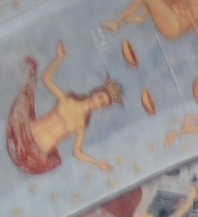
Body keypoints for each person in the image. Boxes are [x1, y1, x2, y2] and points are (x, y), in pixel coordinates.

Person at [6, 42, 123, 175]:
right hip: (23, 135)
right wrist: (59, 58)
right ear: (95, 93)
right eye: (100, 98)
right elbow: (46, 78)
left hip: (34, 155)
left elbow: (77, 152)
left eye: (103, 105)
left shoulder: (81, 125)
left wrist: (97, 163)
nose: (98, 103)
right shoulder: (67, 100)